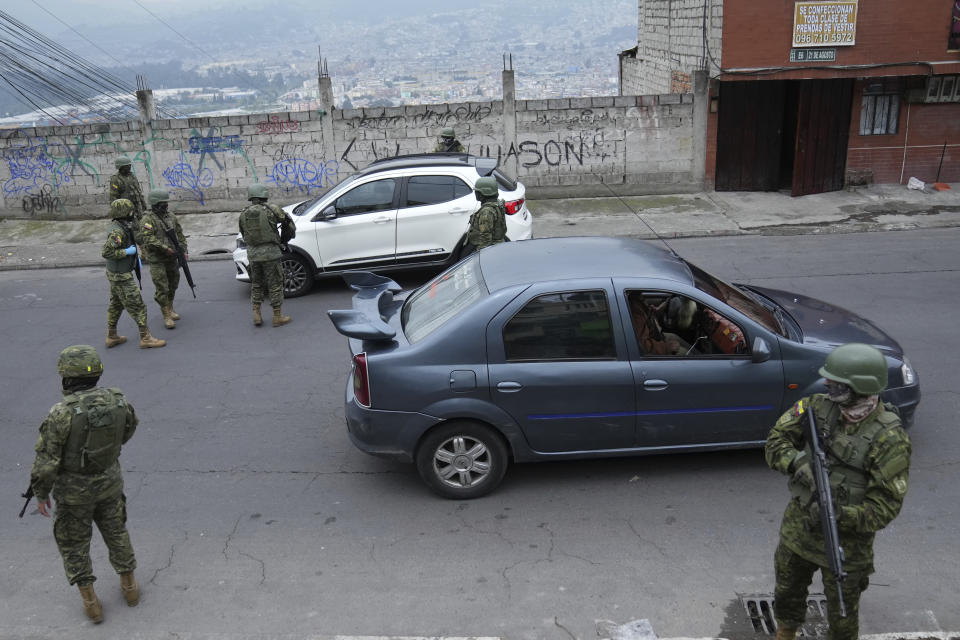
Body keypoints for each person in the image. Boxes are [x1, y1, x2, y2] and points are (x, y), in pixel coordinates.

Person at [765, 343, 911, 640]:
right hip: (799, 530)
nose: (828, 383)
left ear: (861, 387)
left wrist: (840, 515)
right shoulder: (816, 407)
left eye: (837, 381)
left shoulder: (889, 437)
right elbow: (775, 440)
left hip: (846, 546)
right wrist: (797, 464)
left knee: (843, 619)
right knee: (786, 595)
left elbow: (885, 506)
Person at [29, 345, 140, 623]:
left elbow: (47, 461)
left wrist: (40, 493)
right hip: (110, 483)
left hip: (73, 494)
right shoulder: (118, 401)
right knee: (117, 533)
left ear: (66, 377)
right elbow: (128, 430)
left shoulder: (61, 413)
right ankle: (130, 588)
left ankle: (91, 604)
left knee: (75, 544)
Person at [101, 199, 166, 349]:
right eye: (130, 211)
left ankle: (111, 336)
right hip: (121, 276)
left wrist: (134, 256)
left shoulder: (122, 225)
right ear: (123, 213)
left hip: (117, 273)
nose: (132, 213)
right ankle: (146, 338)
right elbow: (106, 252)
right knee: (138, 306)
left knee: (116, 305)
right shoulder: (117, 231)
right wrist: (127, 252)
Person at [238, 183, 296, 327]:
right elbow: (289, 225)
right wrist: (284, 240)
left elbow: (244, 233)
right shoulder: (272, 209)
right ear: (264, 194)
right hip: (271, 254)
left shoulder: (243, 213)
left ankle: (257, 315)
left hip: (253, 255)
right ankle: (277, 317)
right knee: (275, 284)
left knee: (256, 284)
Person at [140, 189, 188, 329]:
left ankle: (170, 307)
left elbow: (179, 234)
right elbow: (148, 238)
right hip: (158, 259)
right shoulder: (147, 219)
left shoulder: (171, 216)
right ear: (155, 204)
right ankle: (166, 314)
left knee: (173, 283)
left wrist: (183, 250)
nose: (165, 205)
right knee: (162, 288)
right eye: (163, 203)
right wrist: (164, 248)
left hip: (172, 257)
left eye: (166, 203)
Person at [465, 176, 507, 253]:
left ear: (483, 193)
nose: (475, 194)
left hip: (490, 249)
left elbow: (485, 239)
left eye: (477, 192)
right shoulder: (497, 203)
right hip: (497, 246)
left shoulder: (486, 212)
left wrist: (481, 255)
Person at [108, 157, 147, 222]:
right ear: (121, 167)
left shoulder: (132, 175)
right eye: (127, 165)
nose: (130, 167)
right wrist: (117, 213)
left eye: (130, 165)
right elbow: (113, 197)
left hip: (138, 207)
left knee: (142, 223)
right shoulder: (115, 179)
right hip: (127, 209)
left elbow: (138, 191)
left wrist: (143, 205)